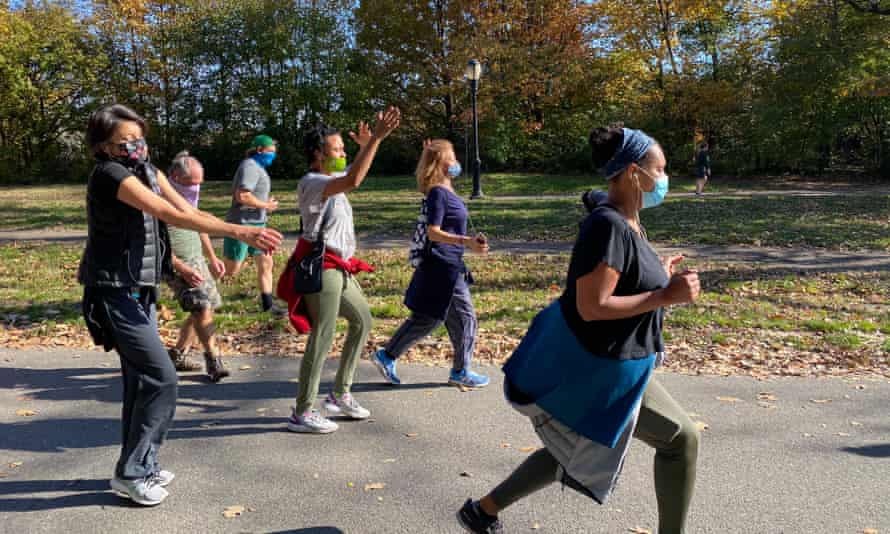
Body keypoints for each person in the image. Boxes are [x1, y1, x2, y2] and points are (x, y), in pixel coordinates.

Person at [456, 126, 701, 534]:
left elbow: (622, 278)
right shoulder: (608, 226)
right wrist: (665, 297)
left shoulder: (627, 221)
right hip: (600, 369)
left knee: (578, 446)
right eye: (660, 169)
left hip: (617, 361)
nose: (664, 178)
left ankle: (482, 511)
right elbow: (593, 306)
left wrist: (661, 277)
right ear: (633, 171)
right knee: (682, 440)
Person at [79, 104, 282, 506]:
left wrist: (186, 257)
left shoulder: (149, 172)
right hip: (112, 290)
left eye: (139, 138)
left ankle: (142, 462)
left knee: (141, 382)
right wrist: (238, 229)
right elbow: (164, 212)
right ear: (103, 146)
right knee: (161, 377)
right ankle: (132, 472)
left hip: (141, 288)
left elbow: (185, 212)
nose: (136, 147)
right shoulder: (109, 175)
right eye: (125, 142)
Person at [283, 106, 401, 434]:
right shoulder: (312, 182)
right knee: (323, 335)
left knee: (362, 320)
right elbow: (355, 178)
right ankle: (303, 411)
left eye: (343, 148)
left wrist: (365, 146)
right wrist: (376, 139)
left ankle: (339, 394)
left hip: (340, 266)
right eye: (337, 149)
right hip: (322, 267)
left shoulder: (331, 178)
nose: (343, 152)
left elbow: (350, 173)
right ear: (317, 155)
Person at [372, 139, 490, 388]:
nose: (456, 161)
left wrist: (471, 244)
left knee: (430, 318)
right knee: (466, 317)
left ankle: (387, 355)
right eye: (452, 156)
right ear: (440, 163)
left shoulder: (445, 190)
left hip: (448, 264)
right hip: (442, 266)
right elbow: (433, 232)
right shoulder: (438, 192)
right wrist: (466, 241)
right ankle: (461, 371)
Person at [163, 151, 230, 382]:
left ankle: (178, 354)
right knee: (201, 307)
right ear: (174, 177)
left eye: (199, 184)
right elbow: (152, 241)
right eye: (192, 184)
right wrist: (180, 267)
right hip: (176, 263)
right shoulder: (157, 199)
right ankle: (213, 359)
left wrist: (211, 257)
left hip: (196, 259)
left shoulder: (187, 194)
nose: (196, 189)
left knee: (205, 306)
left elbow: (197, 222)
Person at [222, 134, 285, 314]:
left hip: (258, 226)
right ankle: (195, 283)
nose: (273, 155)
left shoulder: (258, 167)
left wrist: (265, 202)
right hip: (241, 226)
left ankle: (268, 305)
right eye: (271, 152)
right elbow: (242, 196)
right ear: (259, 150)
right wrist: (266, 205)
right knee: (231, 270)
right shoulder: (249, 167)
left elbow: (252, 195)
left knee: (266, 263)